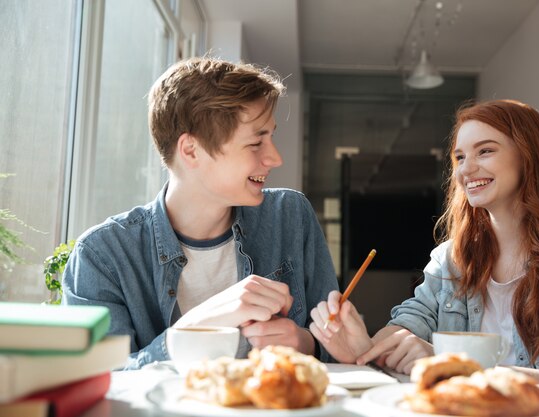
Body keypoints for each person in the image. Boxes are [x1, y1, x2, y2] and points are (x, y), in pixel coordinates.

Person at [310, 99, 539, 392]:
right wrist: (362, 346)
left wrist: (454, 367)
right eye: (460, 157)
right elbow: (409, 326)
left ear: (529, 156)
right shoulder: (450, 258)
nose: (465, 169)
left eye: (485, 151)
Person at [62, 57, 339, 369]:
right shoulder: (102, 256)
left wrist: (308, 344)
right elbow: (101, 383)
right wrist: (195, 326)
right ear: (191, 150)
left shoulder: (290, 216)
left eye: (271, 137)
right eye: (255, 143)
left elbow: (340, 346)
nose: (274, 158)